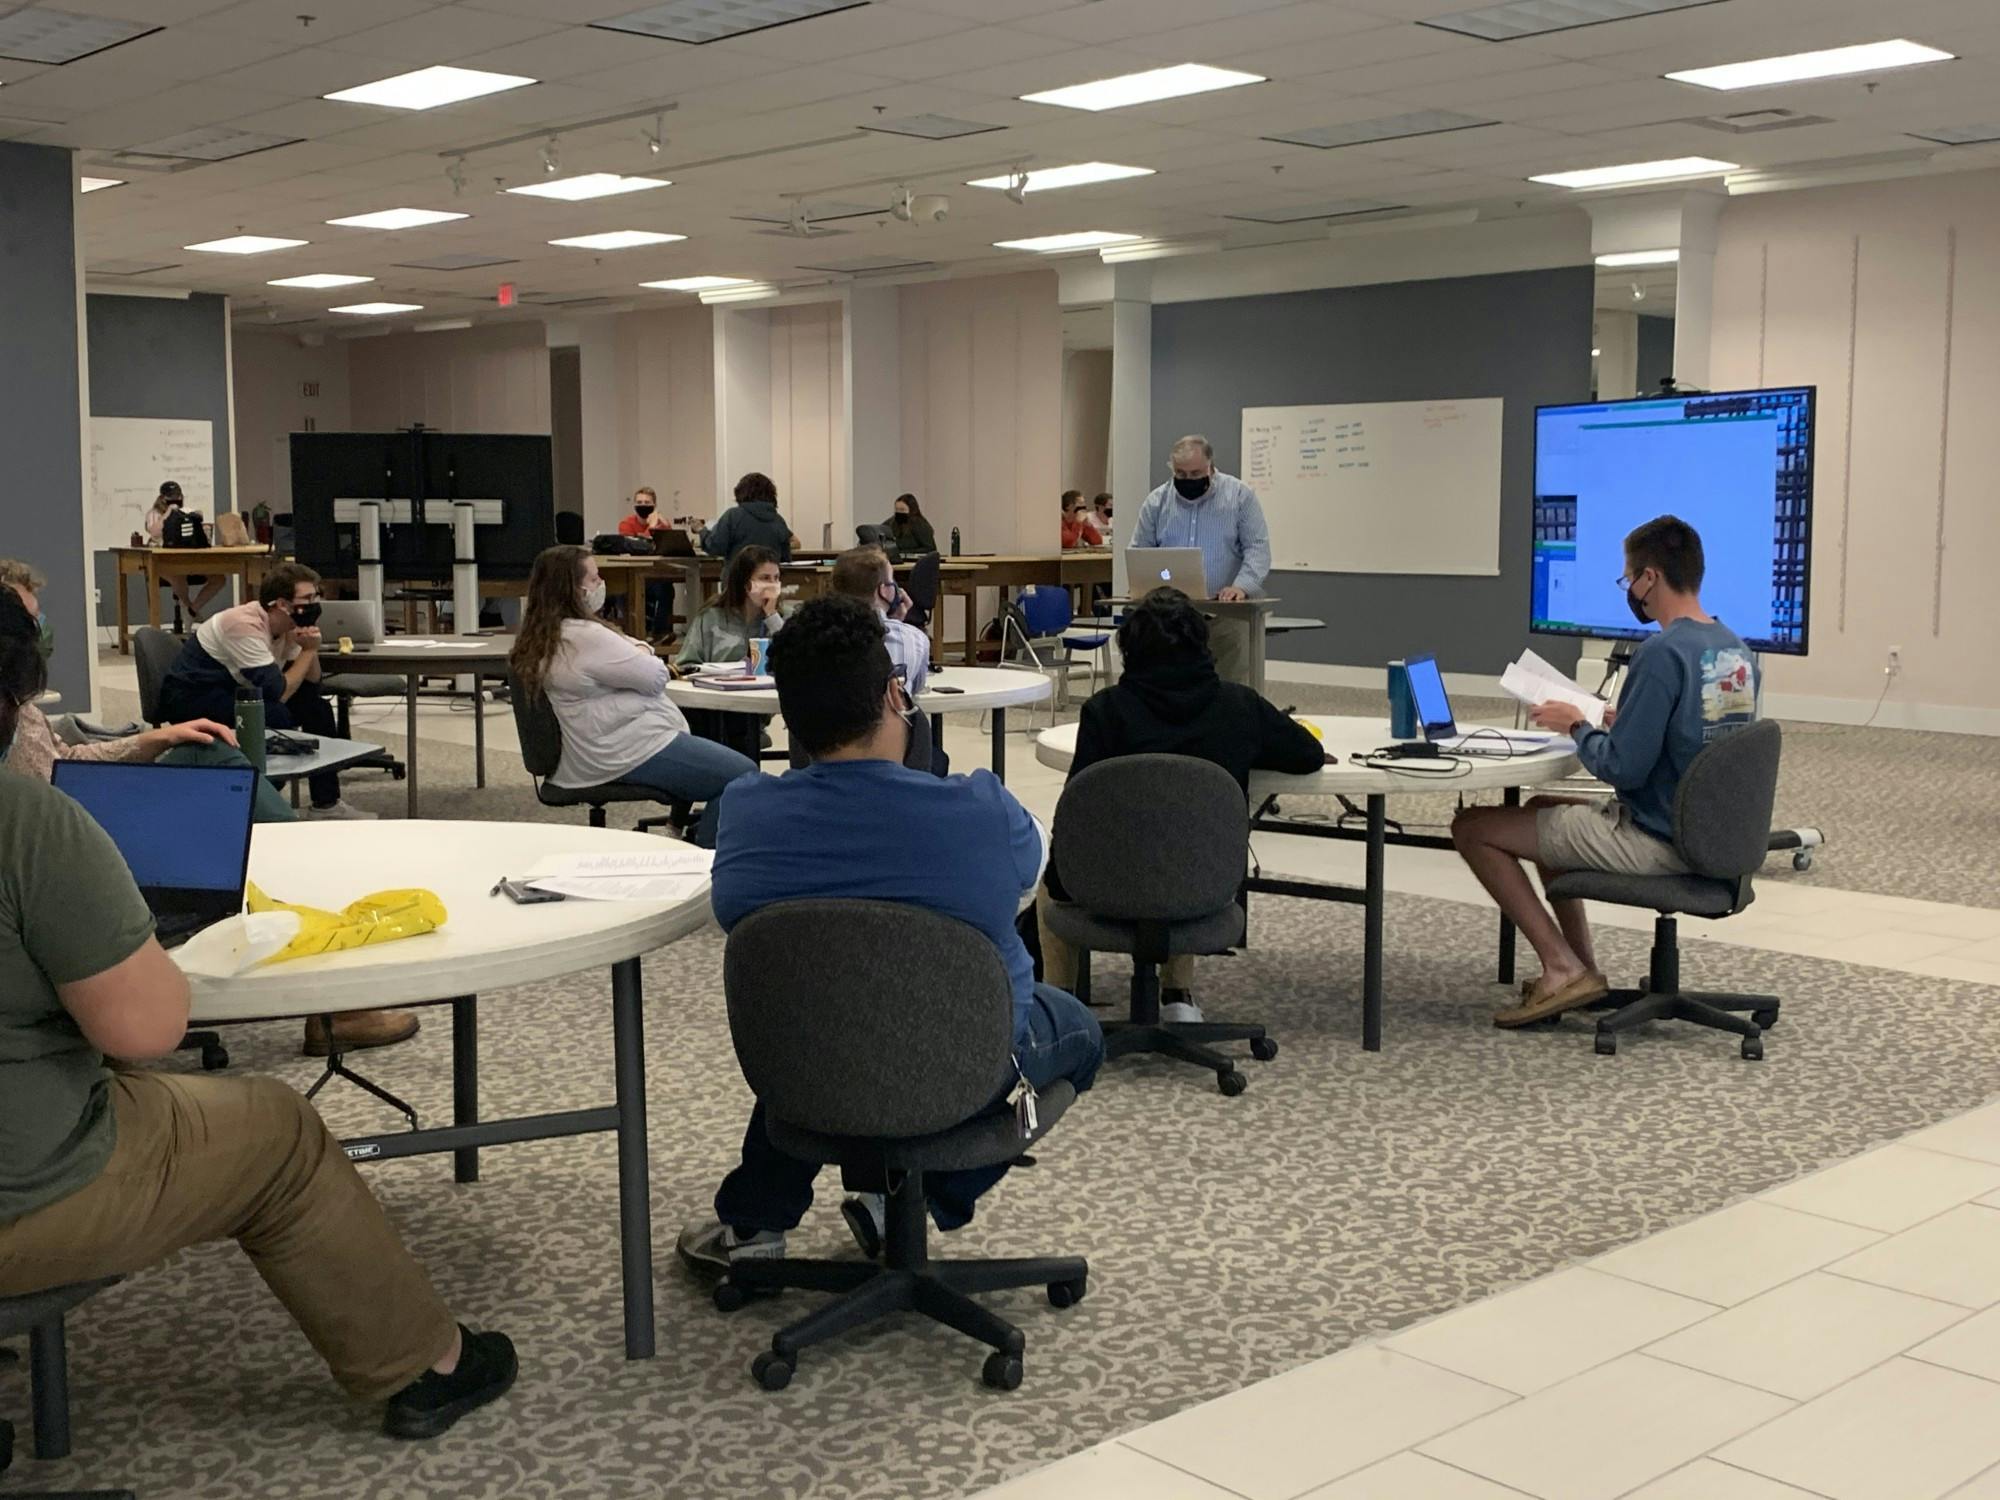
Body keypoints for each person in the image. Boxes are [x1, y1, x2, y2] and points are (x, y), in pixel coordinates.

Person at [0, 590, 516, 1440]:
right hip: (25, 1189)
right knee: (277, 1128)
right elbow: (147, 1032)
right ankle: (427, 1364)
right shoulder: (30, 824)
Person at [677, 595, 1102, 1273]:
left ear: (789, 717)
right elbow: (1028, 876)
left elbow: (736, 914)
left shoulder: (747, 813)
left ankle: (756, 1226)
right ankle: (924, 1196)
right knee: (1081, 1035)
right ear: (895, 695)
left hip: (805, 1065)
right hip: (968, 1059)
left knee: (830, 1000)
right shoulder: (979, 810)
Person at [1451, 515, 1760, 1029]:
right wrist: (1626, 721)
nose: (1630, 590)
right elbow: (1699, 740)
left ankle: (1559, 966)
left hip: (1658, 840)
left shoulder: (1662, 653)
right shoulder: (1735, 651)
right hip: (1712, 839)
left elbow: (1622, 769)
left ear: (1650, 578)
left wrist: (1577, 726)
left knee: (1473, 829)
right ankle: (1581, 971)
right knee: (1543, 812)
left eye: (1629, 578)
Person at [1037, 588, 1323, 1022]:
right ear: (1202, 646)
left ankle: (1058, 1008)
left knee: (1049, 877)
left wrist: (1059, 875)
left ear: (1130, 649)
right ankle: (1178, 996)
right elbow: (1308, 755)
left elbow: (1077, 814)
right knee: (1181, 842)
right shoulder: (1239, 708)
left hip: (1106, 879)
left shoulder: (1105, 711)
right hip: (1205, 881)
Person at [0, 558, 292, 824]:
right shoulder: (11, 716)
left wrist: (159, 737)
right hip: (80, 820)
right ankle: (296, 838)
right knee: (210, 752)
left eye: (38, 617)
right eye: (28, 619)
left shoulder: (21, 705)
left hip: (81, 799)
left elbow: (68, 760)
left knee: (203, 744)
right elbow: (50, 797)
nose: (39, 629)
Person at [512, 545, 757, 849]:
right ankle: (704, 859)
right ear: (573, 589)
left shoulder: (543, 635)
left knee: (716, 759)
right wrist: (642, 649)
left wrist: (635, 651)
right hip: (624, 749)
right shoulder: (587, 636)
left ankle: (688, 836)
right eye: (594, 578)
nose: (601, 585)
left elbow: (628, 658)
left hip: (591, 751)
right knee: (743, 776)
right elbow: (656, 676)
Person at [156, 563, 370, 824]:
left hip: (238, 690)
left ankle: (326, 803)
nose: (315, 604)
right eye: (307, 599)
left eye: (316, 596)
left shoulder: (287, 625)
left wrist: (307, 645)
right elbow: (277, 692)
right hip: (193, 696)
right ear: (281, 603)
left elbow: (311, 682)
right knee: (275, 715)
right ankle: (258, 803)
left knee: (316, 707)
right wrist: (309, 651)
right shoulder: (243, 625)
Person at [1130, 435, 1273, 686]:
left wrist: (1240, 586)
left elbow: (1257, 547)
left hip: (1229, 615)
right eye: (1181, 474)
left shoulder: (1240, 496)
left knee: (1235, 686)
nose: (1188, 480)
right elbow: (1140, 551)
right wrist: (1144, 586)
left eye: (1196, 473)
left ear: (1211, 466)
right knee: (1174, 686)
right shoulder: (1157, 501)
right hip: (1172, 619)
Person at [828, 545, 929, 694]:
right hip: (888, 715)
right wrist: (898, 625)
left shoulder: (817, 635)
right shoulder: (916, 639)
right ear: (884, 590)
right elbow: (915, 689)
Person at [675, 545, 788, 670]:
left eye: (776, 578)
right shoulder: (711, 617)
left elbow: (797, 660)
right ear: (745, 583)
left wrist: (772, 617)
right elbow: (685, 664)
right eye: (765, 578)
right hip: (716, 687)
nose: (772, 585)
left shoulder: (785, 619)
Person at [144, 481, 224, 622]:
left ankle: (192, 609)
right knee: (178, 576)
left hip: (188, 558)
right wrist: (169, 512)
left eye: (177, 496)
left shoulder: (186, 512)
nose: (175, 499)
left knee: (219, 578)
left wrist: (195, 518)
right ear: (162, 498)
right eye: (171, 497)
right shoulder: (154, 514)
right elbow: (155, 532)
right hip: (163, 562)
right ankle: (187, 607)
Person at [702, 472, 799, 563]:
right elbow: (785, 556)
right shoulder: (778, 521)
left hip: (737, 578)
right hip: (768, 578)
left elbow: (714, 547)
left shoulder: (733, 516)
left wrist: (702, 531)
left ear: (740, 493)